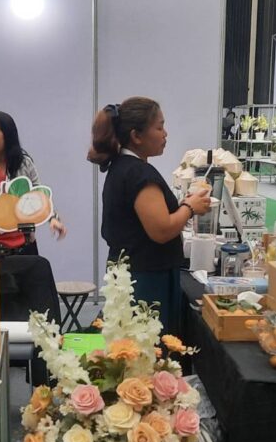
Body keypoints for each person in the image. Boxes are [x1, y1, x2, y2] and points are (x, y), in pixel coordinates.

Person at [87, 97, 211, 333]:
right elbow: (161, 230)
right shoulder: (138, 173)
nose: (165, 134)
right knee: (147, 345)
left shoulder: (123, 167)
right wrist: (190, 207)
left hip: (130, 274)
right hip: (146, 280)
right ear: (136, 136)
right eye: (159, 127)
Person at [0, 111, 66, 255]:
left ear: (7, 135)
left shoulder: (24, 163)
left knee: (39, 266)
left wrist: (53, 218)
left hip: (22, 242)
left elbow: (39, 195)